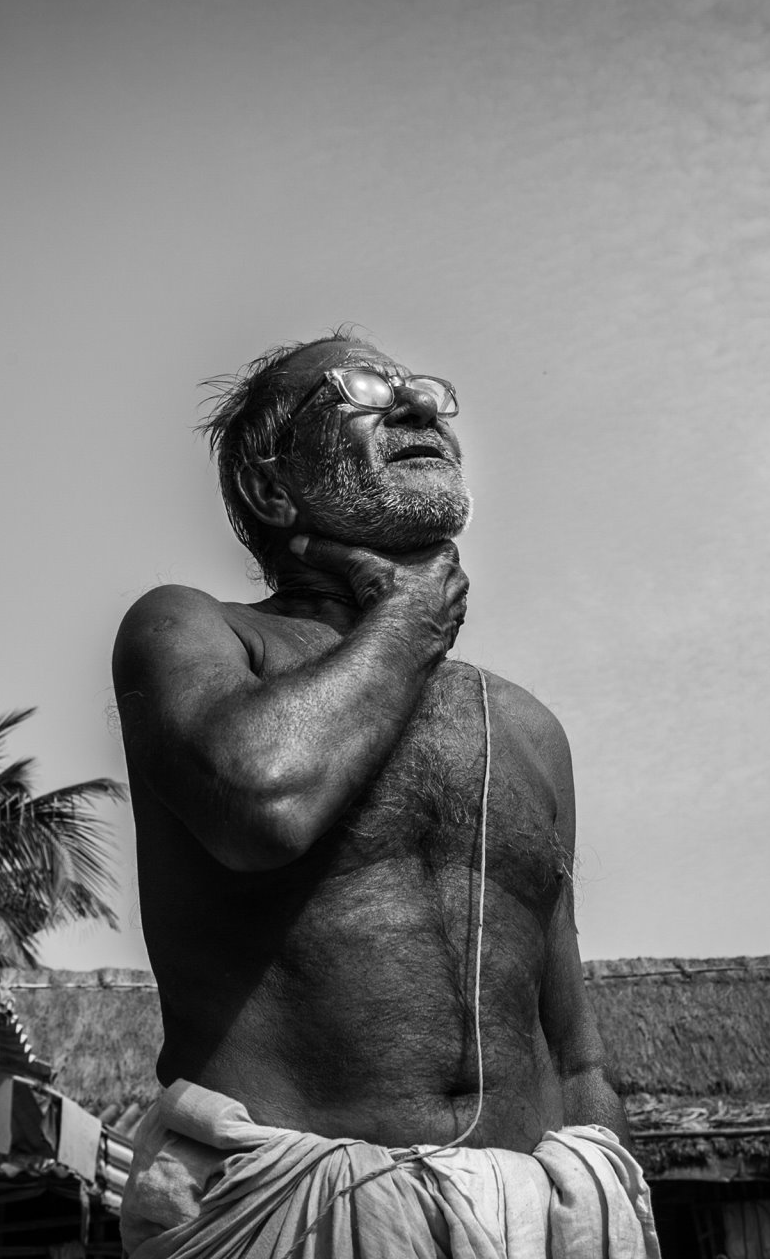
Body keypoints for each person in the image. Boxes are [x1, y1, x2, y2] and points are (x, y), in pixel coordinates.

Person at [111, 333, 659, 1259]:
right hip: (294, 1210)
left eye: (424, 390)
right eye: (361, 391)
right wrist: (408, 617)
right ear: (273, 490)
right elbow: (263, 805)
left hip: (536, 1220)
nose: (418, 408)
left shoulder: (525, 727)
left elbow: (577, 1054)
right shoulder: (189, 632)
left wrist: (601, 1200)